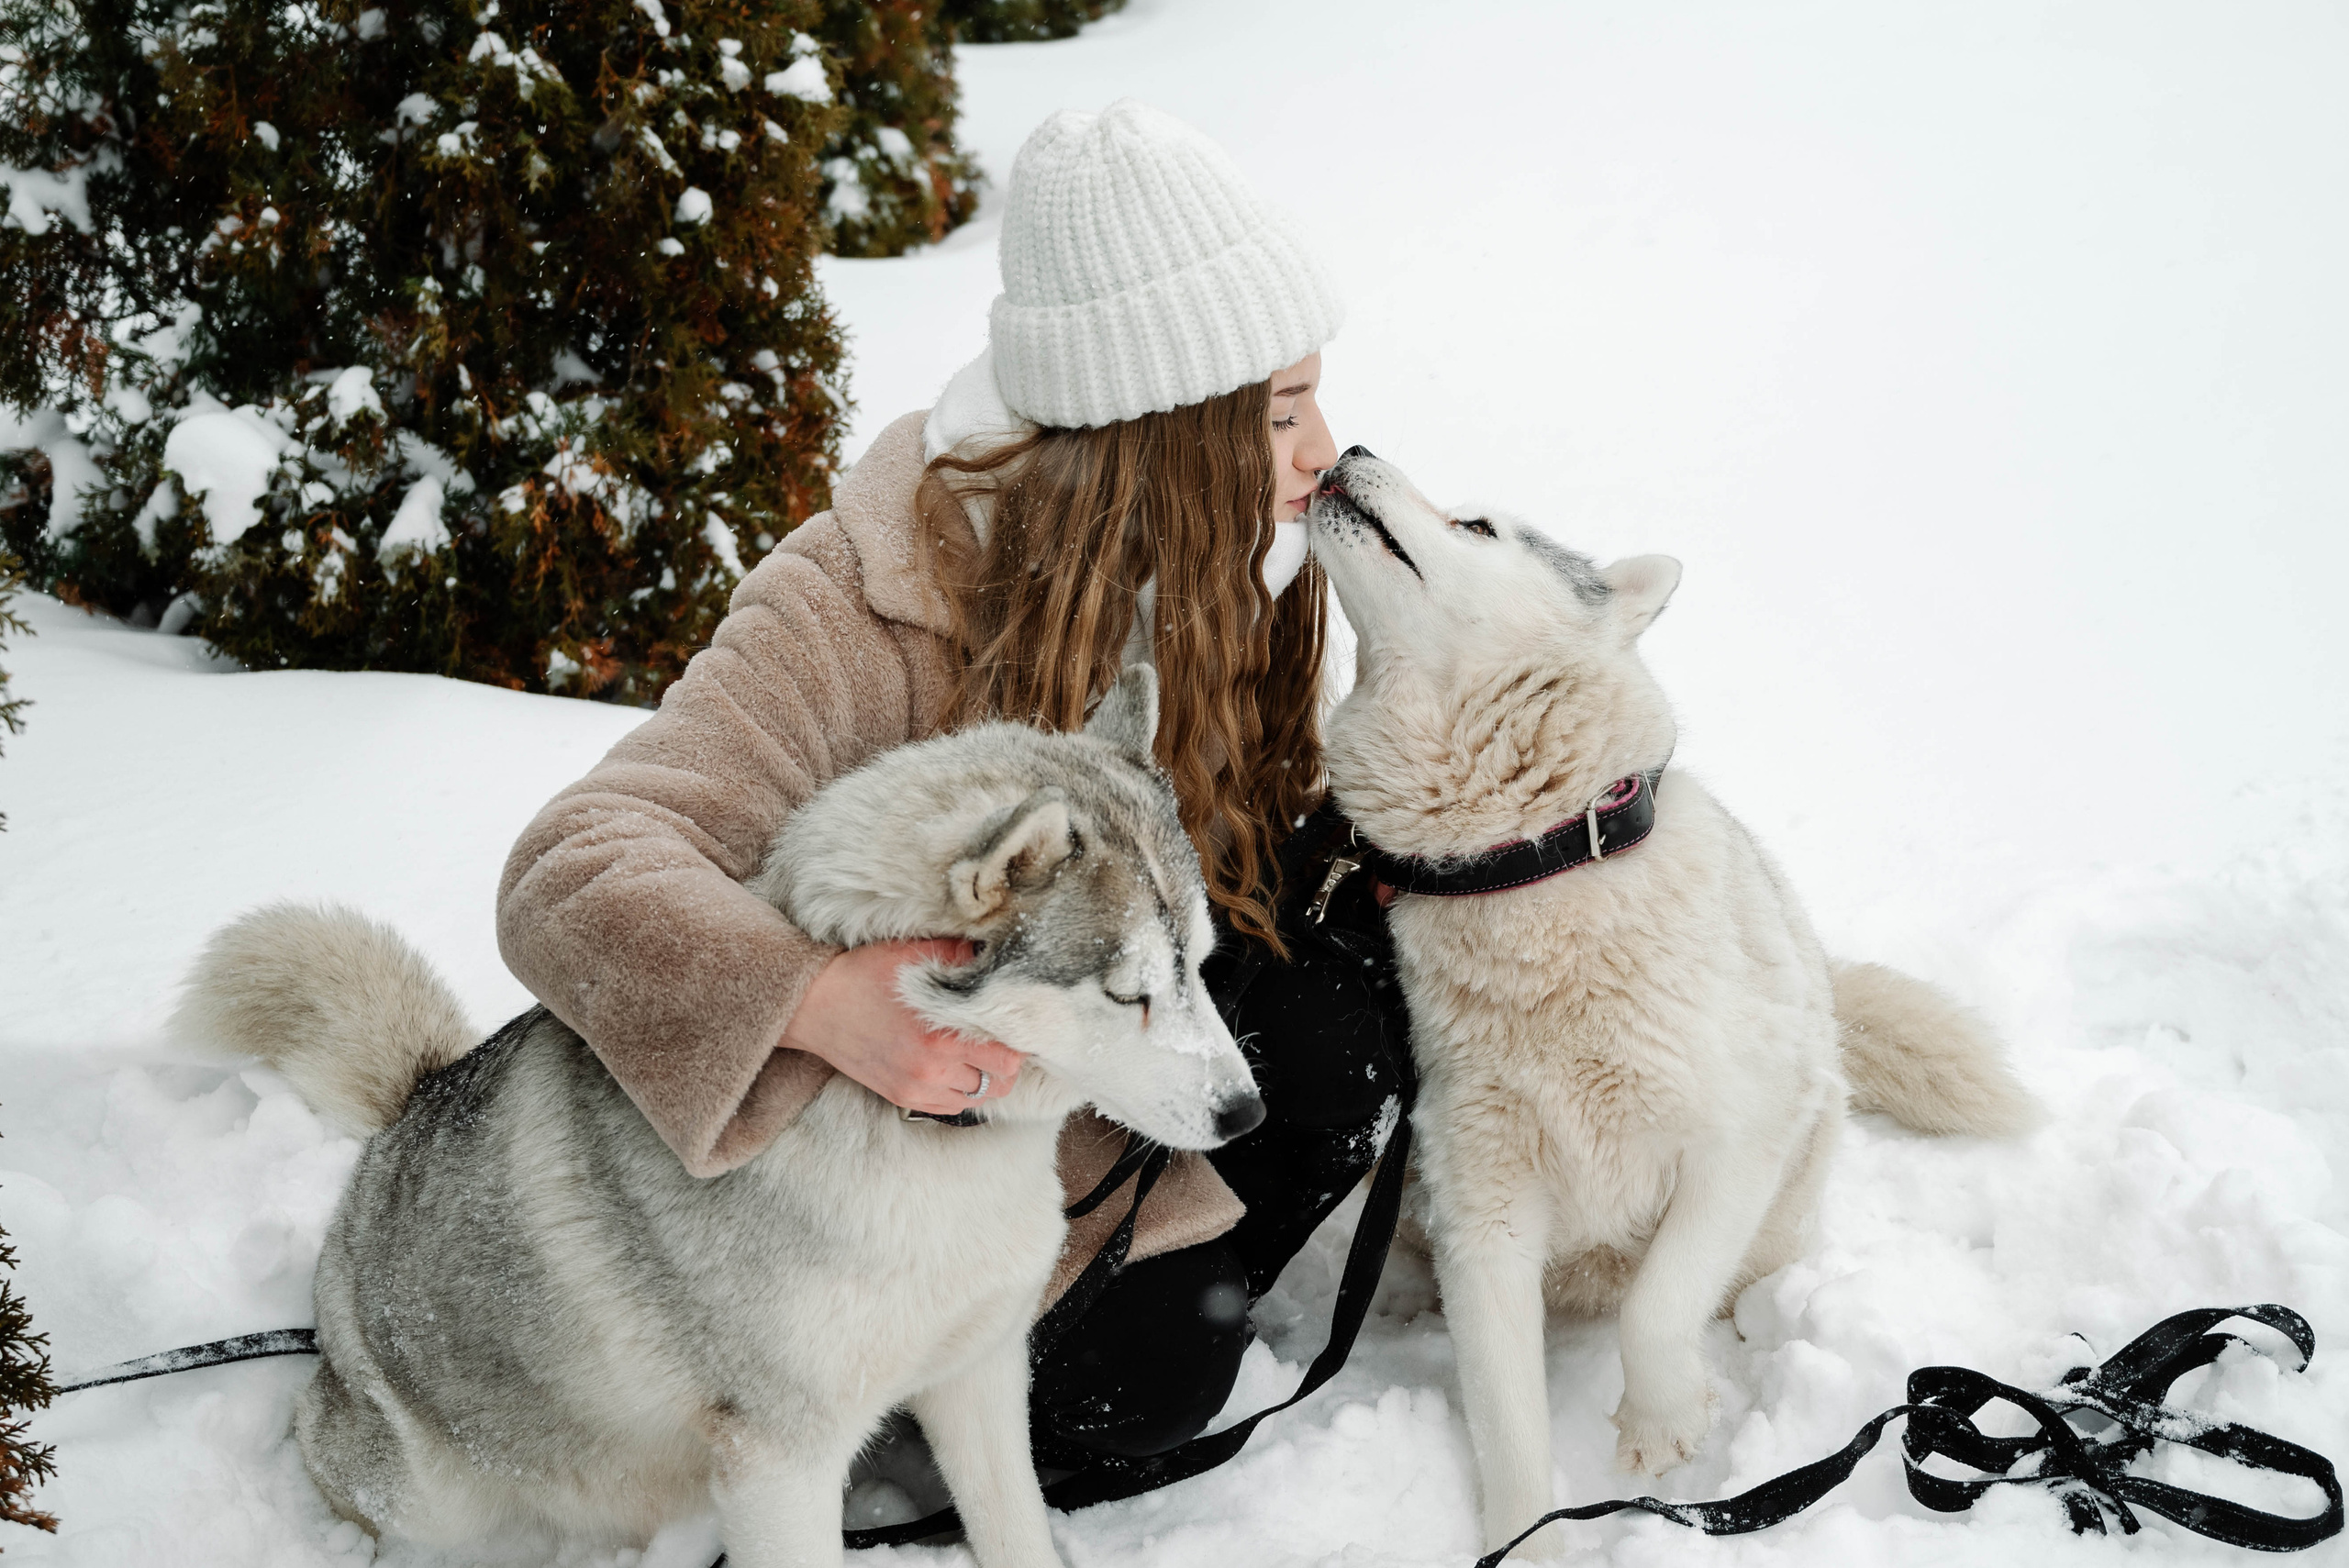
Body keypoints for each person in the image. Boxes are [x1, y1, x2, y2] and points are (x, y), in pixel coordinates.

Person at [497, 99, 1408, 1490]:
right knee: (1148, 1382)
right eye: (1279, 411)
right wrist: (816, 1000)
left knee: (1351, 1012)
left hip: (1110, 1053)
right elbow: (573, 866)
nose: (1319, 450)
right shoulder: (862, 600)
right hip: (890, 1158)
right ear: (1154, 433)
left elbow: (1246, 854)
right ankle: (920, 1366)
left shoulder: (1230, 570)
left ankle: (1178, 1246)